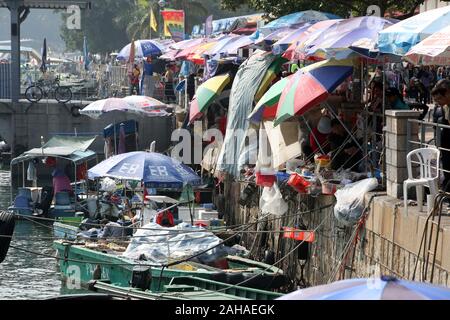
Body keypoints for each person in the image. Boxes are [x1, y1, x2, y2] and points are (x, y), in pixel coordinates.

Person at [431, 80, 450, 191]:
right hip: (446, 146)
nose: (438, 103)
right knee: (446, 167)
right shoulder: (444, 107)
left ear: (447, 93)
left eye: (439, 99)